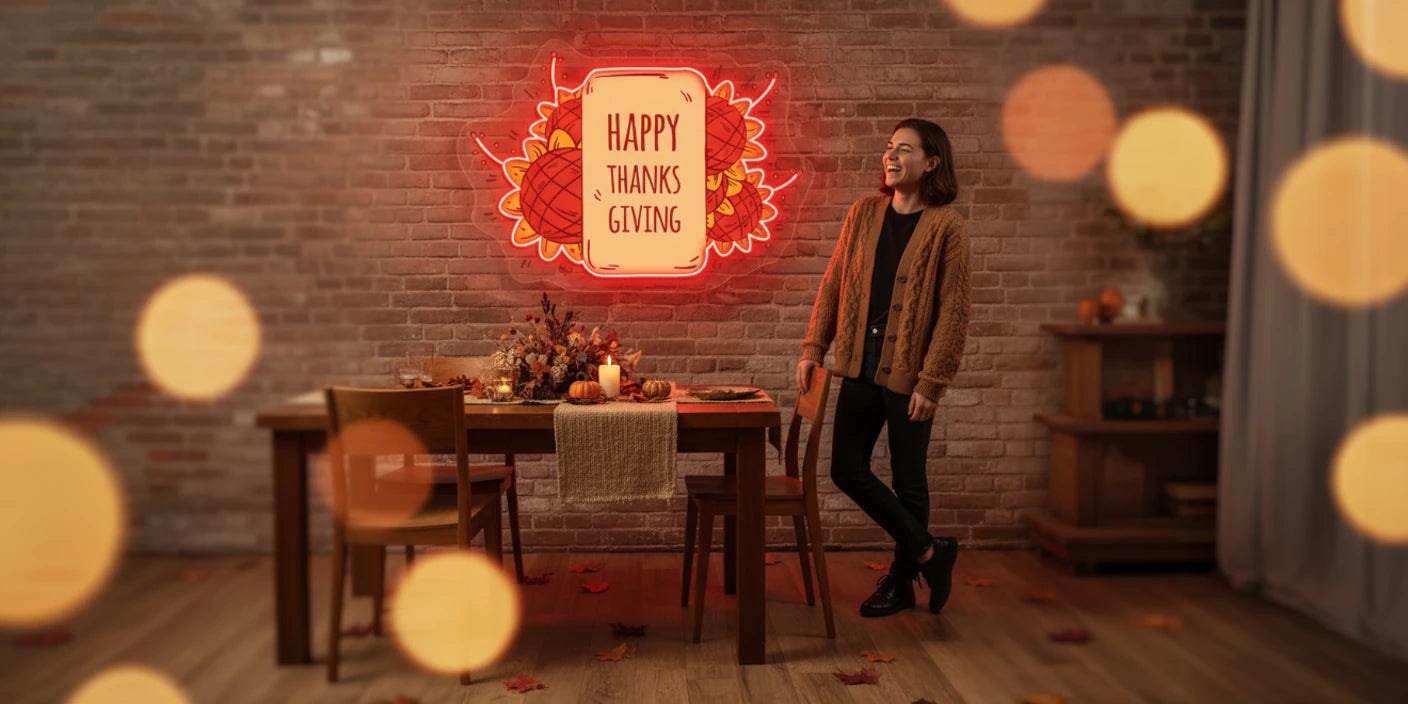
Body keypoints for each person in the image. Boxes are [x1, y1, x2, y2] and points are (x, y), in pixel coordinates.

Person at [797, 118, 971, 617]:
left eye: (905, 150)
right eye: (889, 148)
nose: (891, 157)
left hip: (910, 376)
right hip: (859, 365)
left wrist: (932, 382)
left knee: (908, 480)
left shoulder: (947, 228)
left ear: (931, 162)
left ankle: (900, 581)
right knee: (846, 469)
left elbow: (952, 312)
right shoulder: (863, 214)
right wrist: (813, 348)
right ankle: (932, 553)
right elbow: (833, 285)